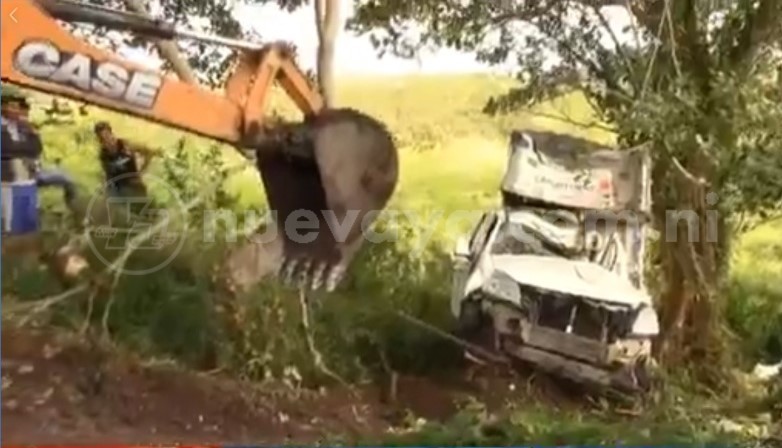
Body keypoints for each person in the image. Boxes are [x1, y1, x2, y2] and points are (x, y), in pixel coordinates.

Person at [17, 96, 79, 208]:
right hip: (21, 176)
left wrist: (33, 135)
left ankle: (73, 208)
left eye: (26, 112)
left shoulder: (29, 129)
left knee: (68, 179)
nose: (24, 116)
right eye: (22, 112)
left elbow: (37, 150)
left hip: (36, 172)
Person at [94, 121, 157, 199]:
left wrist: (141, 172)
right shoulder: (103, 155)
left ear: (111, 134)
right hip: (119, 191)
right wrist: (105, 188)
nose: (106, 141)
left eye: (107, 136)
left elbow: (148, 152)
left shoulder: (125, 145)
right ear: (99, 140)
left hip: (135, 187)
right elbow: (107, 174)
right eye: (102, 138)